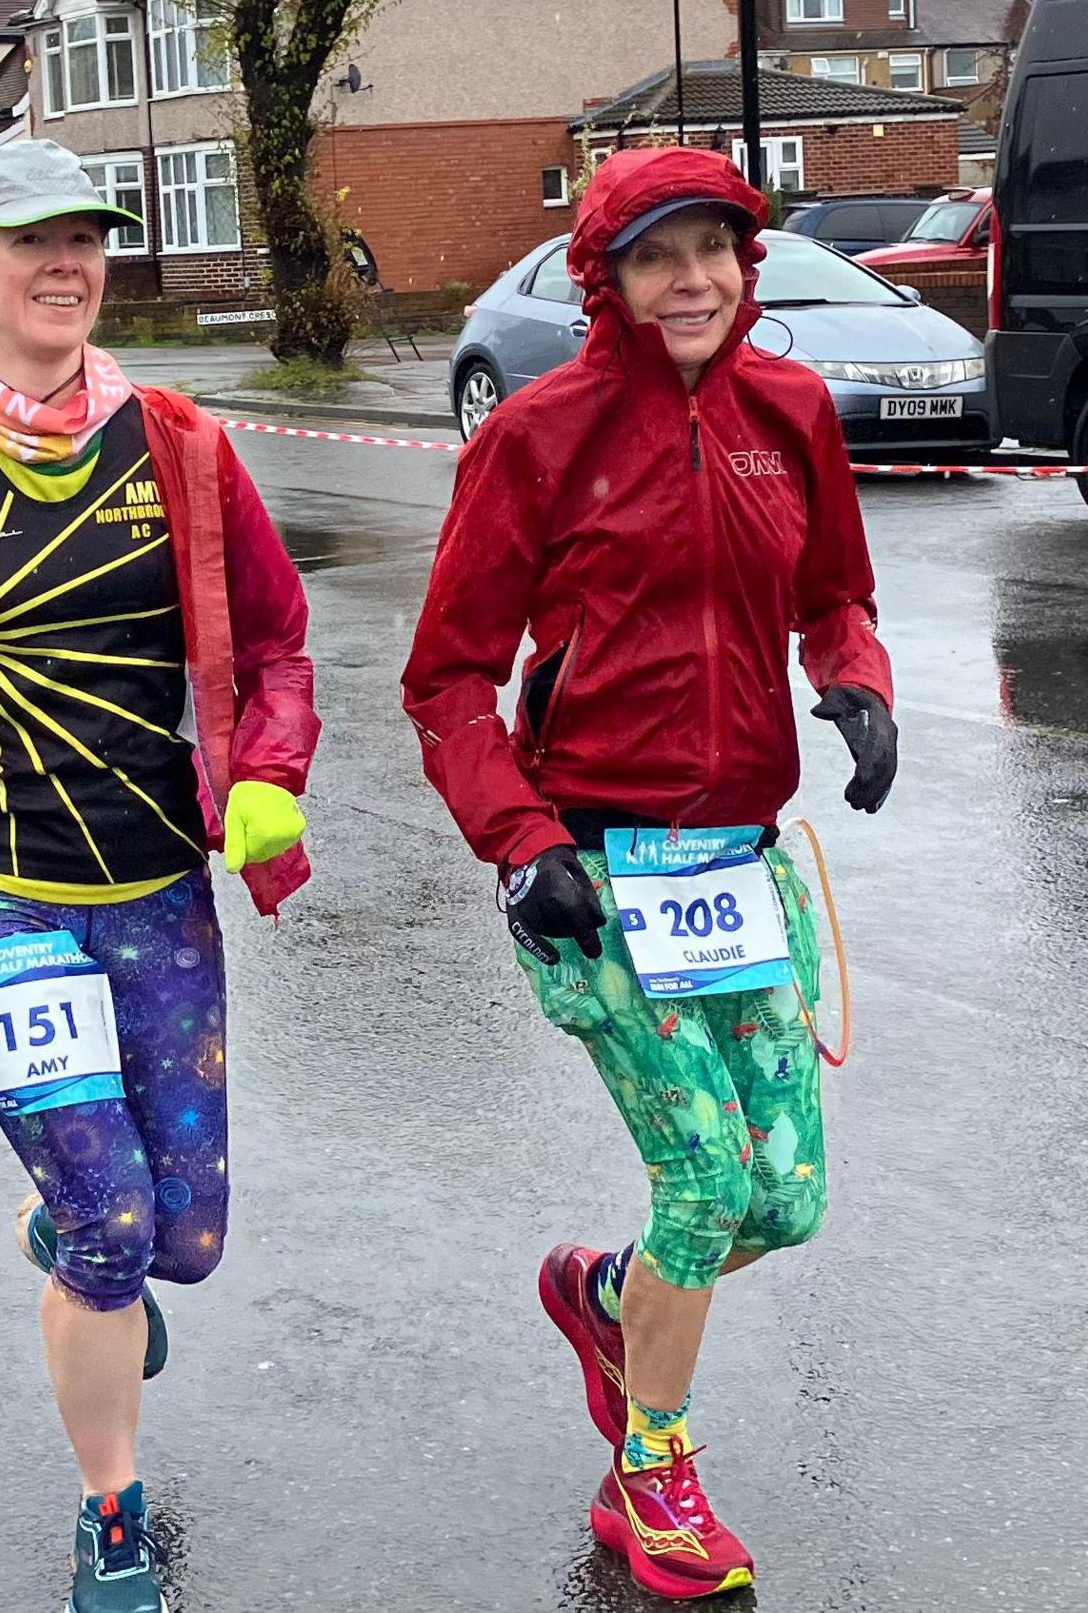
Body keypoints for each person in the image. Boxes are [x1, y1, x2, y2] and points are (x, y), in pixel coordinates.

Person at [0, 134, 316, 1613]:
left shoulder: (186, 451)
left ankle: (77, 1233)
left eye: (84, 238)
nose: (65, 264)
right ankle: (112, 1509)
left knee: (189, 1243)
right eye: (28, 242)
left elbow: (278, 644)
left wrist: (273, 774)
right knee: (113, 1232)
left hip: (158, 882)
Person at [395, 147, 898, 1603]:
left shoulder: (788, 412)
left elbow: (835, 593)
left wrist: (855, 681)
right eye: (659, 258)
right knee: (703, 1181)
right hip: (595, 873)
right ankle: (653, 1477)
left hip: (738, 868)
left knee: (784, 1198)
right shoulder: (540, 437)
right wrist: (522, 841)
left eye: (717, 252)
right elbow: (446, 684)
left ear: (748, 264)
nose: (694, 281)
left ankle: (607, 1301)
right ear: (607, 282)